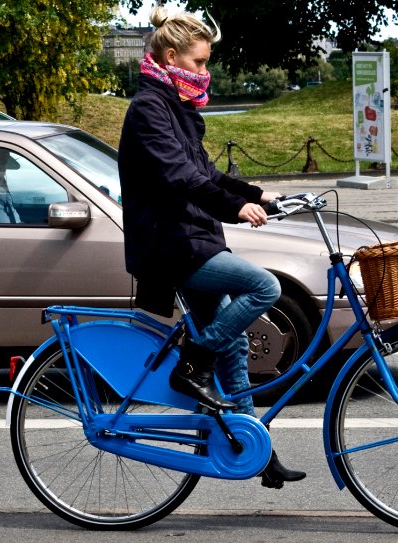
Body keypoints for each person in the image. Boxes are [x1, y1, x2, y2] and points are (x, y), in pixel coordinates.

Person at [117, 5, 304, 489]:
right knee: (263, 287)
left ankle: (254, 447)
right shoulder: (148, 108)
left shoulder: (175, 106)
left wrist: (258, 194)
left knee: (237, 343)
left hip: (191, 237)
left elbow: (205, 173)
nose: (206, 72)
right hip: (170, 243)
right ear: (172, 56)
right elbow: (180, 177)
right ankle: (193, 363)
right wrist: (233, 208)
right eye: (200, 63)